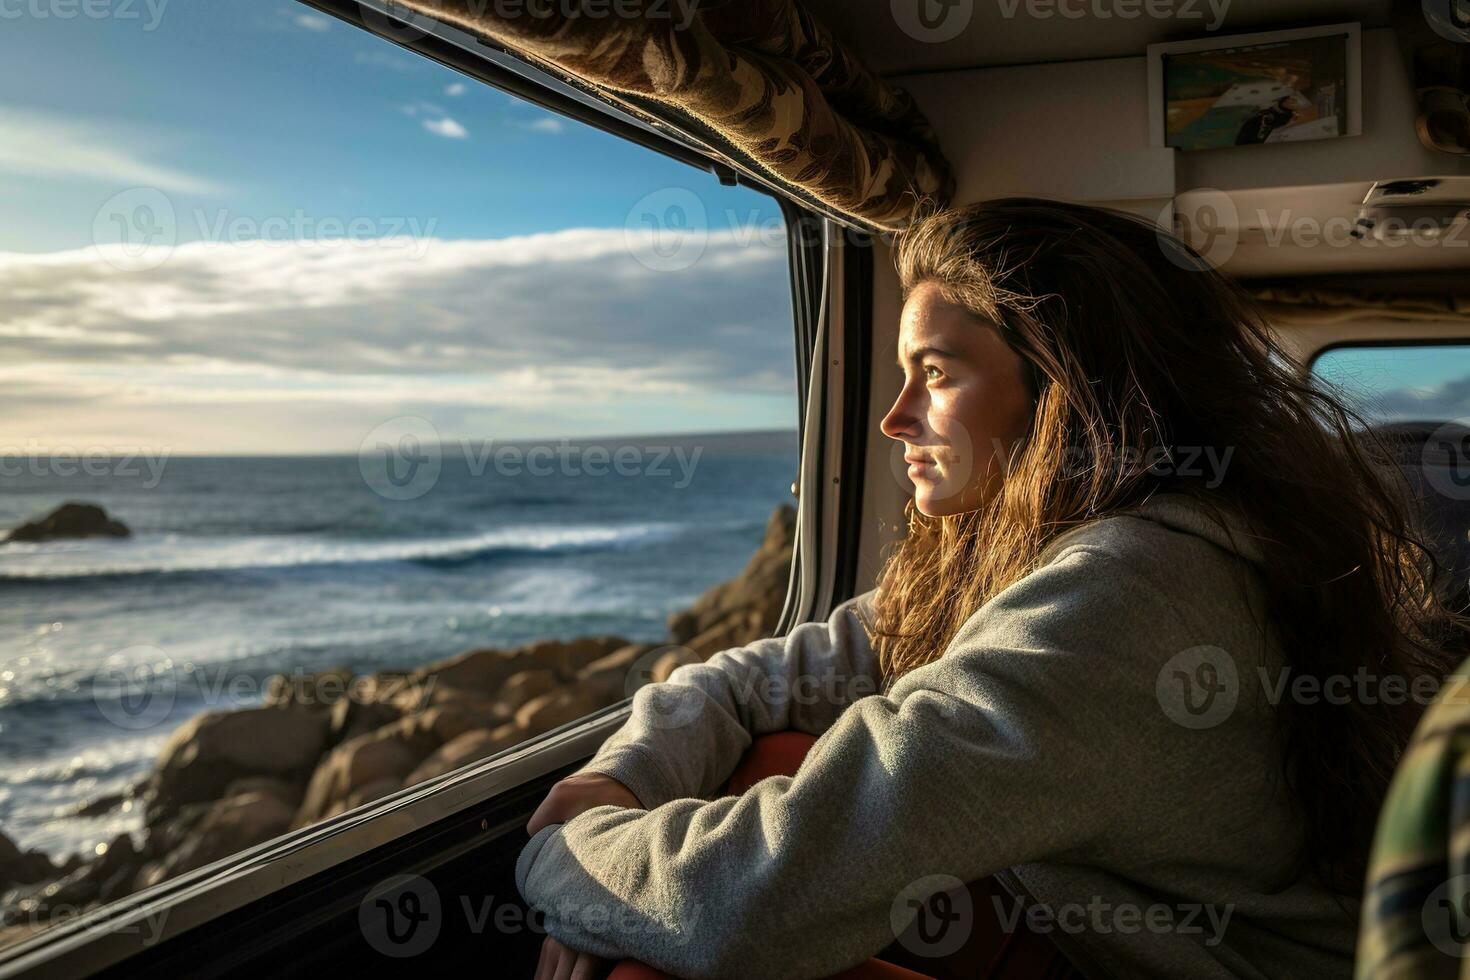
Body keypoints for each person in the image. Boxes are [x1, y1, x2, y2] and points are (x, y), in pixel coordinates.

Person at [517, 198, 1463, 979]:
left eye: (934, 374)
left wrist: (567, 863)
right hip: (1091, 939)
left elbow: (749, 900)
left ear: (1066, 388)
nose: (894, 420)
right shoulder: (1046, 552)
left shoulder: (1128, 597)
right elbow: (771, 674)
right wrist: (620, 775)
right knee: (777, 756)